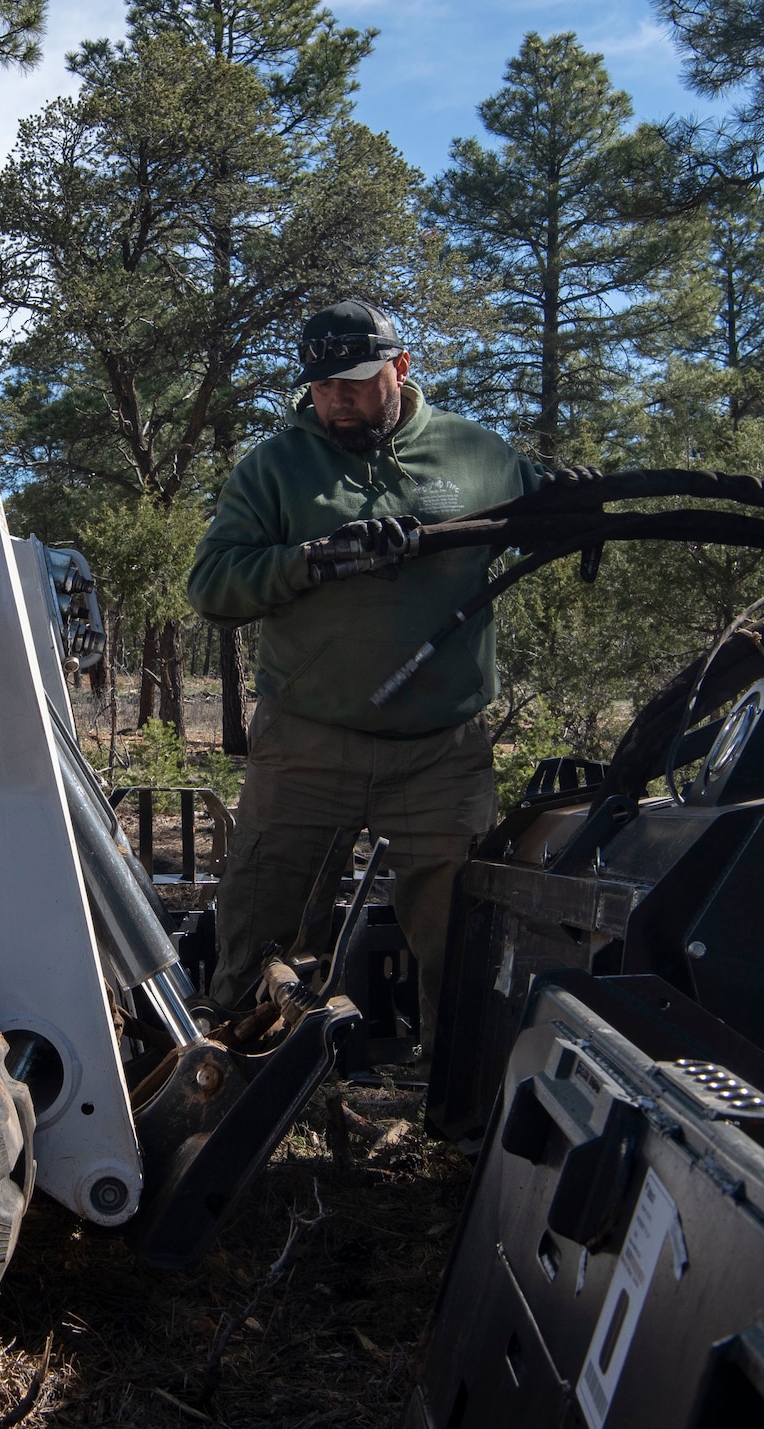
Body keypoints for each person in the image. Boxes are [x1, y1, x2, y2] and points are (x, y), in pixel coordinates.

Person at [186, 297, 541, 1053]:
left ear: (401, 369)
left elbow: (547, 509)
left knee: (463, 945)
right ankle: (232, 1103)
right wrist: (310, 561)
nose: (336, 399)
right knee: (261, 931)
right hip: (307, 746)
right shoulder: (276, 468)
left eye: (354, 380)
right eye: (322, 385)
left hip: (442, 754)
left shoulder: (476, 454)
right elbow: (212, 585)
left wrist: (572, 499)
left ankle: (466, 1133)